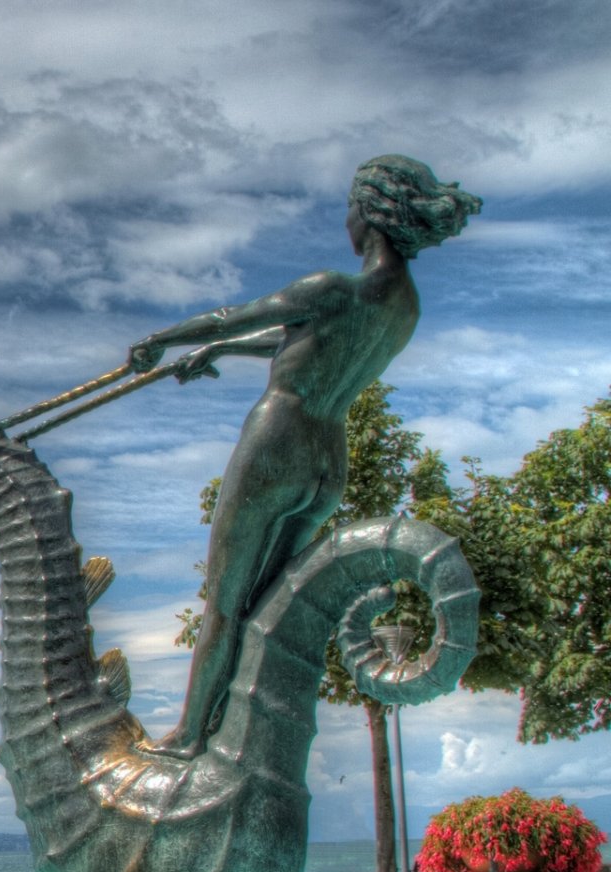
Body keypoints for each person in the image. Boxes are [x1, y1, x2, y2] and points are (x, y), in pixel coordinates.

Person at [129, 155, 481, 757]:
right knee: (268, 605)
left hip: (279, 437)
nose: (345, 219)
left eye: (349, 206)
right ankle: (237, 740)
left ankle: (190, 735)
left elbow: (232, 315)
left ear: (370, 211)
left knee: (225, 597)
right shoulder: (402, 306)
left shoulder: (328, 287)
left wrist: (161, 341)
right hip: (327, 457)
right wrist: (217, 351)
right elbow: (297, 338)